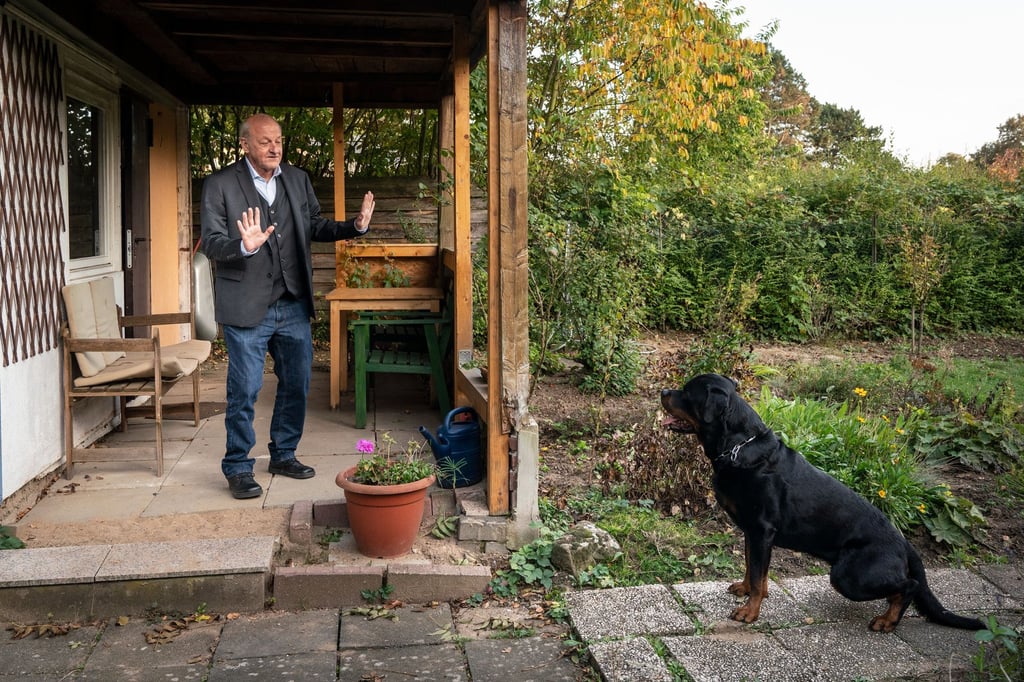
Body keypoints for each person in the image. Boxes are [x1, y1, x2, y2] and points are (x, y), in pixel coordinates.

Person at [201, 113, 375, 499]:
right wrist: (243, 246)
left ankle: (283, 454)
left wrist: (354, 227)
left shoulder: (297, 180)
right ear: (245, 144)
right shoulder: (220, 185)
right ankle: (238, 467)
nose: (275, 147)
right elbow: (212, 241)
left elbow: (314, 225)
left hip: (292, 302)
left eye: (278, 140)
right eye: (265, 141)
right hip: (246, 306)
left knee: (297, 383)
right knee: (245, 389)